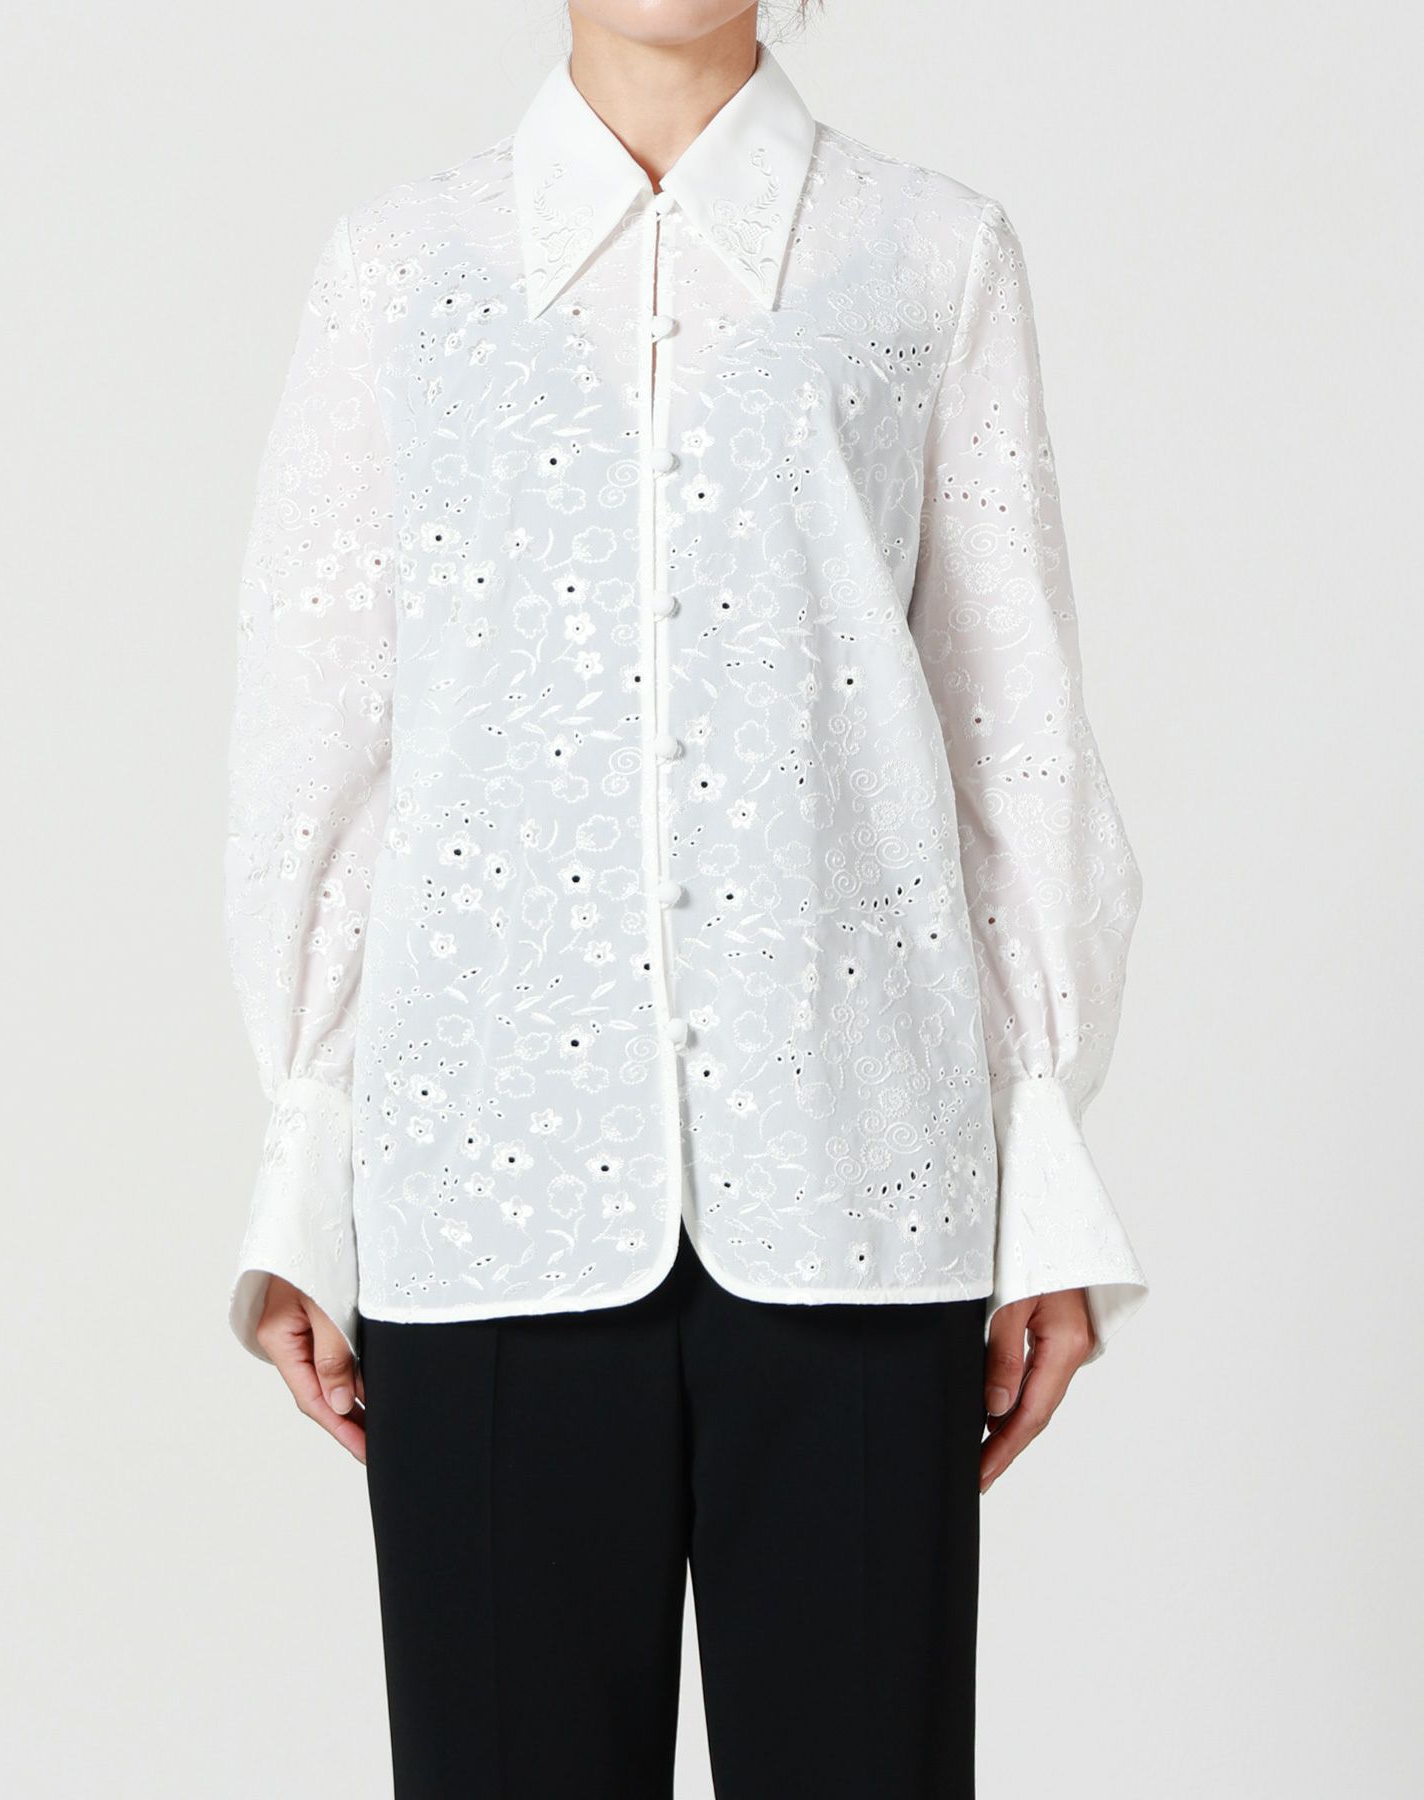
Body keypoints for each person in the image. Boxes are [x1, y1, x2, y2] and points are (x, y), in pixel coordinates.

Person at [222, 3, 1147, 1793]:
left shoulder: (932, 256)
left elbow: (1013, 733)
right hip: (485, 1192)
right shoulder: (399, 270)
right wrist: (305, 1166)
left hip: (856, 1188)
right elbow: (317, 741)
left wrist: (1042, 1178)